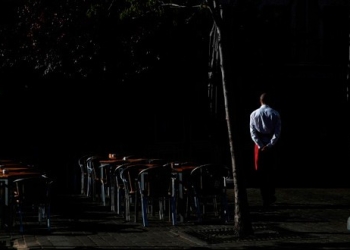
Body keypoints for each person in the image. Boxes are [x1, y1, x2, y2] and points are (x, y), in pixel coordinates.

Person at [249, 92, 281, 207]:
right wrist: (270, 144)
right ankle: (271, 194)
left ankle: (264, 196)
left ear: (260, 101)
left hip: (260, 145)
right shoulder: (275, 113)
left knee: (261, 171)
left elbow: (252, 132)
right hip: (271, 144)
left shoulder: (254, 114)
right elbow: (277, 132)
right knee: (271, 170)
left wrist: (260, 144)